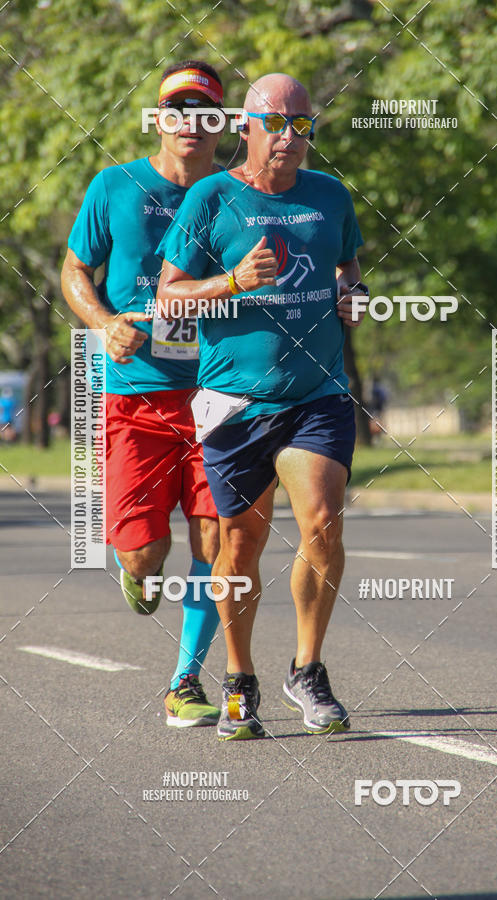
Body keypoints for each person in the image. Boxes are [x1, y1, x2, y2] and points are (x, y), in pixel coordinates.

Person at [156, 73, 366, 741]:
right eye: (277, 124)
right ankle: (239, 675)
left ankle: (307, 668)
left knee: (325, 522)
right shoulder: (212, 198)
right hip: (235, 403)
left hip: (317, 394)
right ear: (245, 127)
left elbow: (349, 268)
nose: (290, 138)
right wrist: (232, 282)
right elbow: (169, 299)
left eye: (302, 125)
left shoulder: (330, 197)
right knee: (239, 546)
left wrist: (351, 295)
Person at [61, 60, 225, 728]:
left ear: (222, 124)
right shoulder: (116, 186)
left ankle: (185, 678)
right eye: (176, 109)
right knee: (142, 550)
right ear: (158, 118)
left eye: (204, 110)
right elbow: (75, 269)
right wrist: (102, 325)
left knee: (217, 543)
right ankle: (140, 571)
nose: (190, 121)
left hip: (220, 397)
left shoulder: (239, 195)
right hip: (137, 398)